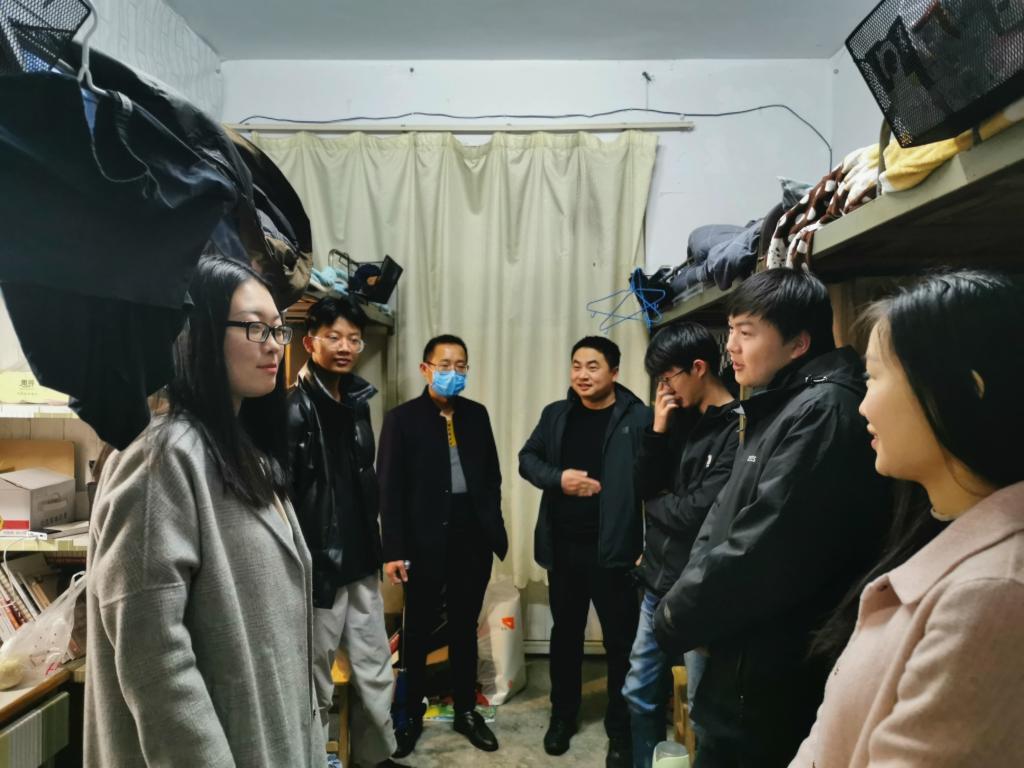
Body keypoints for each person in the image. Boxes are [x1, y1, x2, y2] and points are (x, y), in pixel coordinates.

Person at [85, 256, 322, 766]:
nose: (274, 345)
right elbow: (154, 659)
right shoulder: (162, 455)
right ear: (200, 331)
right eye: (255, 327)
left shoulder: (245, 452)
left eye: (279, 329)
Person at [653, 269, 891, 768]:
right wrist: (685, 605)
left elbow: (763, 546)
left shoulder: (822, 411)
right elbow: (724, 515)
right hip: (741, 660)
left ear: (798, 343)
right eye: (731, 330)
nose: (731, 347)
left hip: (767, 675)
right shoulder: (782, 402)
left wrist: (676, 616)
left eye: (747, 332)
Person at [788, 270, 1024, 767]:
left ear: (961, 391)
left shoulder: (990, 595)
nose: (862, 405)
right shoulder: (937, 527)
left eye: (873, 377)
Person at [519, 336, 650, 768]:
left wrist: (647, 545)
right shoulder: (556, 415)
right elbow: (527, 459)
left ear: (614, 372)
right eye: (576, 365)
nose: (582, 374)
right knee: (565, 637)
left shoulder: (638, 418)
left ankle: (620, 730)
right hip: (564, 549)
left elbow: (658, 480)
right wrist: (559, 479)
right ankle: (563, 716)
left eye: (593, 366)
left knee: (621, 643)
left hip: (615, 552)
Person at [377, 335, 508, 757]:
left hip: (472, 537)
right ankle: (409, 715)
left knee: (465, 628)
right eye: (445, 364)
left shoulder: (476, 415)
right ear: (425, 369)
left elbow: (491, 476)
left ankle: (466, 711)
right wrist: (393, 550)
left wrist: (491, 523)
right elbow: (389, 489)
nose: (454, 372)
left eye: (461, 365)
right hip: (423, 540)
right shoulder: (402, 419)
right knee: (416, 631)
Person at [286, 297, 403, 768]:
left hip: (359, 561)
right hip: (317, 570)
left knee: (376, 668)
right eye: (333, 336)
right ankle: (313, 760)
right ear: (310, 341)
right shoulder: (291, 408)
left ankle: (377, 758)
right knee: (313, 679)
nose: (345, 347)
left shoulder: (357, 404)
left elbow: (364, 482)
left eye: (353, 339)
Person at [623, 322, 740, 768]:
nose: (664, 389)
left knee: (703, 710)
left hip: (699, 590)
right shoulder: (678, 418)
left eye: (668, 377)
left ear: (698, 368)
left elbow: (695, 514)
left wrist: (655, 502)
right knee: (638, 691)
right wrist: (657, 428)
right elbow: (642, 486)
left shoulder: (738, 428)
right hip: (657, 580)